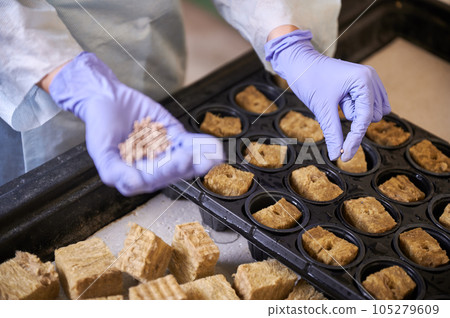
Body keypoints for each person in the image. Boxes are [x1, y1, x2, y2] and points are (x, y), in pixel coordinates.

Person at [0, 0, 390, 195]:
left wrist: (285, 38)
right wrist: (72, 82)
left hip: (148, 34)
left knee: (164, 140)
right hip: (28, 79)